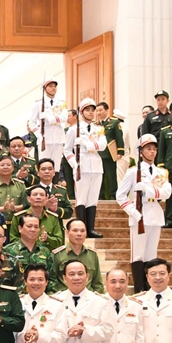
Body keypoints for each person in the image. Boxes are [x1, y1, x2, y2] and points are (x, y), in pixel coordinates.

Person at [117, 134, 171, 291]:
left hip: (155, 215)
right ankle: (139, 288)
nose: (152, 152)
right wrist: (133, 212)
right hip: (139, 215)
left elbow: (167, 192)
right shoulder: (133, 172)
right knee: (138, 254)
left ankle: (149, 288)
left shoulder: (161, 172)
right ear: (141, 152)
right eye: (148, 149)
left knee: (151, 254)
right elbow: (120, 195)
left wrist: (148, 190)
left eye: (154, 149)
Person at [64, 98, 107, 238]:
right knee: (81, 198)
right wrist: (74, 164)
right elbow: (67, 150)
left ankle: (91, 229)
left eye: (93, 110)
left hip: (96, 166)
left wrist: (86, 143)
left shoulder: (99, 129)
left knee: (93, 198)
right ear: (81, 112)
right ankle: (81, 229)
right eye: (87, 110)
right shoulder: (73, 129)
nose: (91, 113)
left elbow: (103, 146)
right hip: (81, 166)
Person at [52, 218, 104, 294]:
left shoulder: (92, 254)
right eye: (75, 230)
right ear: (67, 233)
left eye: (82, 231)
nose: (79, 234)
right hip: (64, 298)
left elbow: (97, 283)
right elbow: (52, 281)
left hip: (88, 298)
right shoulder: (58, 254)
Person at [28, 77, 67, 172]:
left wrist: (49, 118)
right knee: (45, 165)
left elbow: (64, 118)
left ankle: (55, 181)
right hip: (44, 138)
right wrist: (39, 135)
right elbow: (32, 123)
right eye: (50, 86)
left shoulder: (61, 103)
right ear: (44, 89)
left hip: (58, 137)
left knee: (56, 166)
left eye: (55, 86)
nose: (53, 88)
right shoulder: (38, 104)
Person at [156, 99, 172, 227]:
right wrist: (161, 167)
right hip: (170, 168)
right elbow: (161, 151)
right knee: (170, 195)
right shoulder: (165, 131)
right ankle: (170, 220)